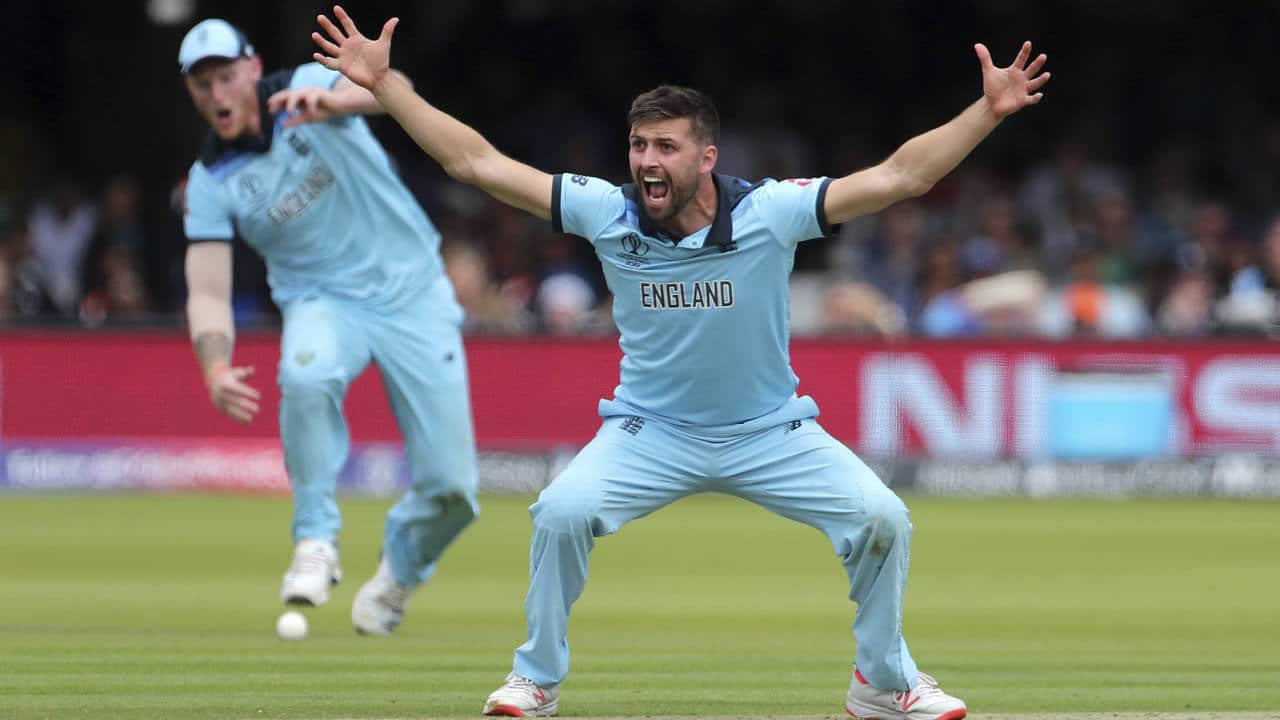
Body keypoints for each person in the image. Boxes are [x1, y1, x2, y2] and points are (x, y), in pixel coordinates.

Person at [312, 7, 1048, 718]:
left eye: (665, 147)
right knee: (562, 512)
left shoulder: (771, 213)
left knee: (884, 517)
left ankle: (883, 685)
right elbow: (473, 161)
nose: (646, 163)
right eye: (638, 146)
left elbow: (899, 178)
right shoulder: (607, 211)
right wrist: (385, 86)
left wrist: (985, 113)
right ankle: (535, 679)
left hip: (769, 431)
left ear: (706, 158)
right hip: (650, 432)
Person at [178, 17, 480, 635]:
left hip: (412, 292)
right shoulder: (210, 182)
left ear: (253, 69)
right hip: (323, 303)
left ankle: (399, 574)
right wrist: (212, 363)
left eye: (226, 76)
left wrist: (337, 99)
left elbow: (393, 91)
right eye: (202, 84)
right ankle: (315, 539)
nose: (217, 94)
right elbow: (207, 291)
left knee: (453, 490)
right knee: (305, 375)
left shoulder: (311, 84)